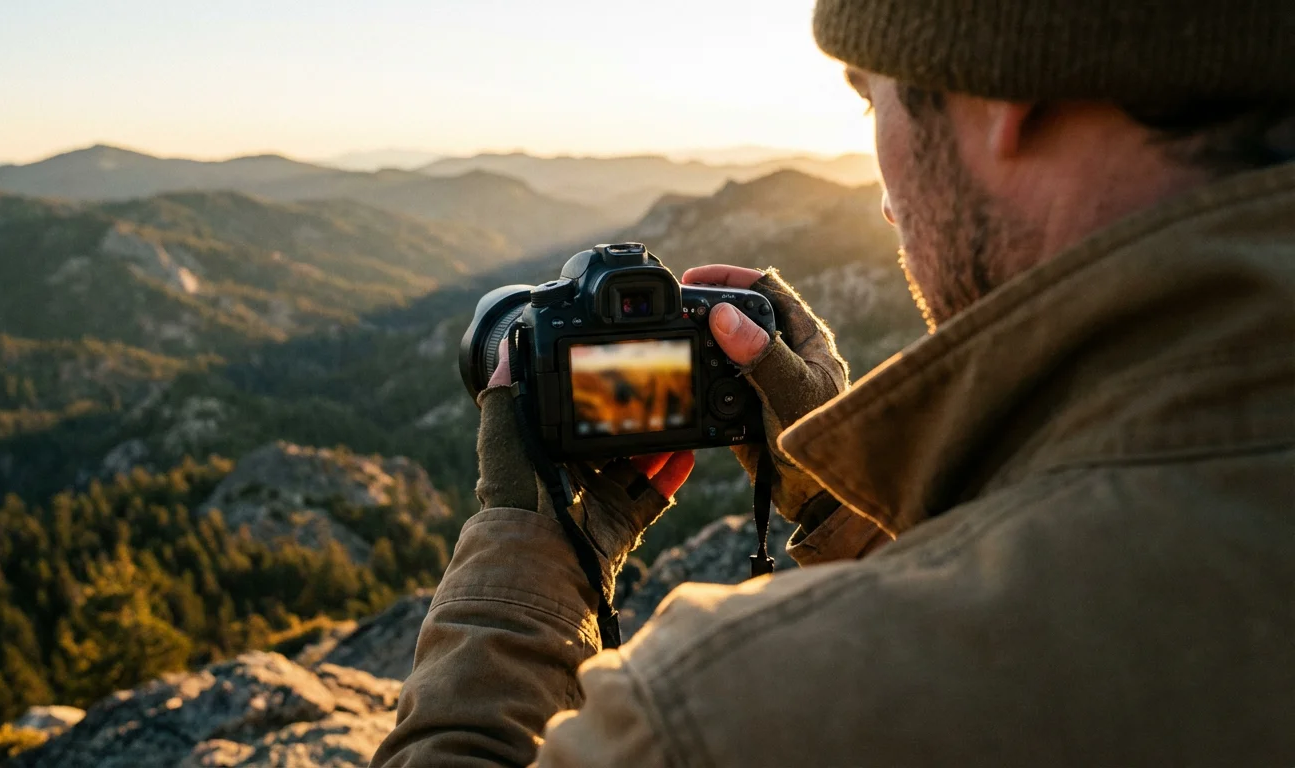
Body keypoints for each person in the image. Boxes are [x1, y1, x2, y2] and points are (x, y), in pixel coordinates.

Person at [374, 0, 1295, 764]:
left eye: (871, 102)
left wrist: (526, 553)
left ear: (1004, 90)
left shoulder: (725, 715)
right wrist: (846, 499)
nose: (886, 196)